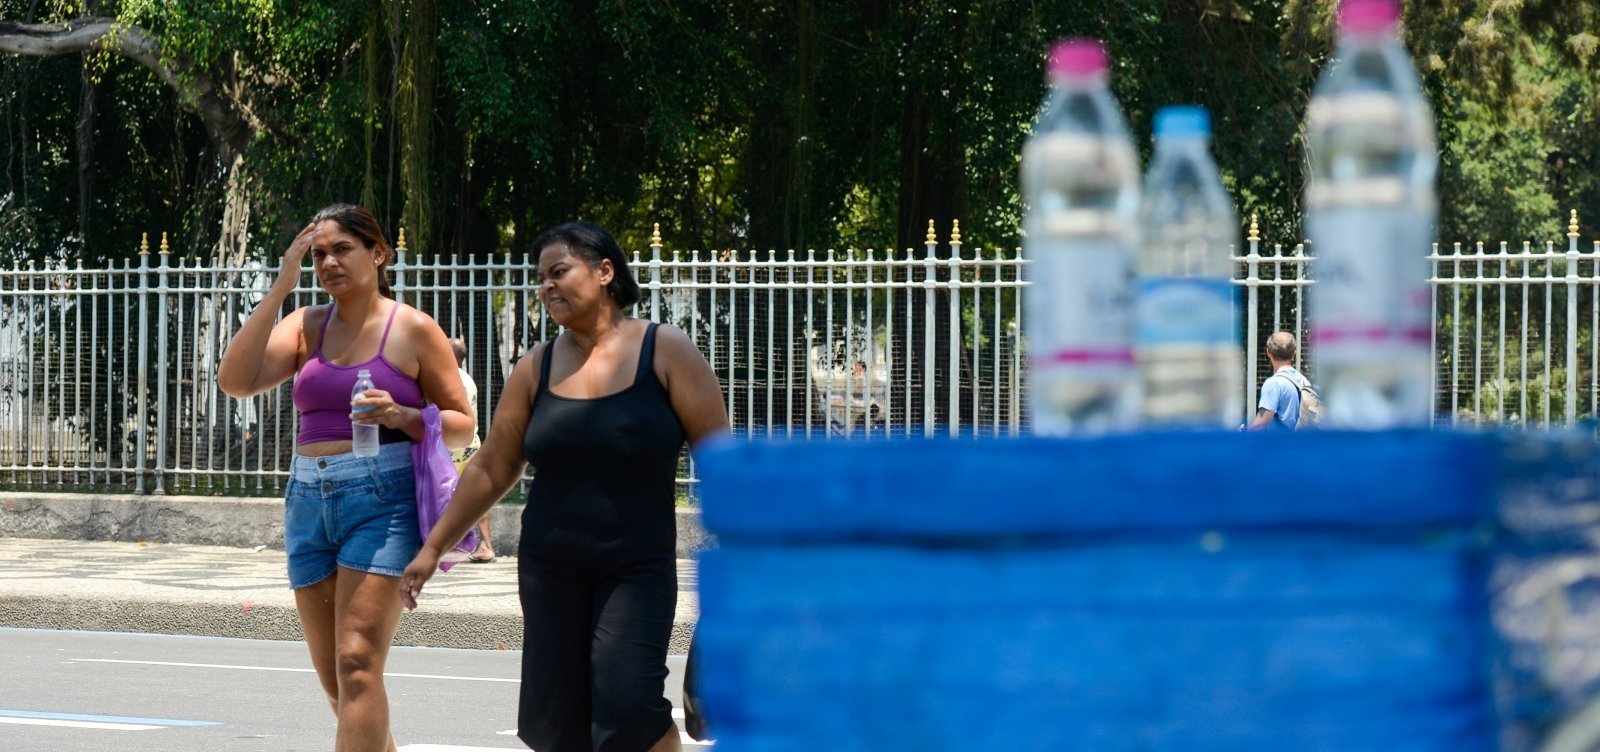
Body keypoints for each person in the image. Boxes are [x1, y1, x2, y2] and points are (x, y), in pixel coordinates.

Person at [400, 221, 730, 752]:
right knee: (556, 721)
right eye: (541, 278)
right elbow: (491, 467)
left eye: (559, 272)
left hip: (636, 565)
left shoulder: (665, 351)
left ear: (604, 272)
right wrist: (433, 546)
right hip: (551, 566)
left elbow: (721, 458)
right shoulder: (536, 367)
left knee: (628, 705)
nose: (547, 287)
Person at [218, 204, 473, 752]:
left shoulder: (413, 329)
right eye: (317, 255)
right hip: (309, 497)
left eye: (342, 249)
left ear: (378, 254)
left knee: (357, 662)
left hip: (384, 497)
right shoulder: (306, 324)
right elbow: (236, 381)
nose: (328, 262)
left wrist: (404, 417)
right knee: (338, 679)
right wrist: (282, 285)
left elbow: (462, 424)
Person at [448, 336, 495, 563]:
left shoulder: (450, 380)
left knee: (440, 494)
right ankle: (485, 545)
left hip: (452, 449)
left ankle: (446, 546)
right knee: (475, 497)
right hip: (470, 444)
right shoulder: (467, 378)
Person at [1249, 331, 1308, 430]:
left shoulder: (1274, 383)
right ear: (1294, 353)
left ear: (1268, 352)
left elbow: (1260, 425)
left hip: (1279, 444)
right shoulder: (1303, 381)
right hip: (1300, 443)